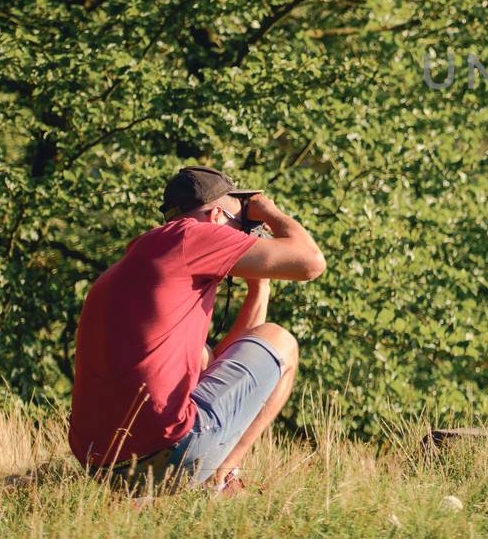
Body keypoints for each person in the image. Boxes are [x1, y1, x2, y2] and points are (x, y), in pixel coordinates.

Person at [68, 165, 325, 493]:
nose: (244, 235)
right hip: (164, 456)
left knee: (203, 358)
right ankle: (221, 480)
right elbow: (311, 262)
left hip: (102, 468)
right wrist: (267, 209)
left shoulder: (144, 255)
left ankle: (195, 480)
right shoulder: (192, 235)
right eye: (240, 224)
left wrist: (259, 288)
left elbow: (224, 365)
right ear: (217, 216)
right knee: (281, 342)